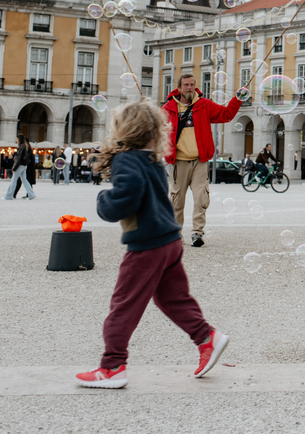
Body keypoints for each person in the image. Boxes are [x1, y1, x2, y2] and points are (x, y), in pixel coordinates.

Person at [75, 100, 229, 389]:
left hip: (146, 245)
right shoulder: (152, 158)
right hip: (169, 240)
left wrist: (103, 201)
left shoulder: (127, 159)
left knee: (123, 305)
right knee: (172, 298)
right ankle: (207, 337)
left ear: (124, 130)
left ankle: (112, 367)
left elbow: (126, 198)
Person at [162, 73, 243, 248]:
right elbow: (155, 129)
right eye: (186, 85)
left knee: (201, 198)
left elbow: (226, 114)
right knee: (177, 200)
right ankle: (176, 234)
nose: (190, 87)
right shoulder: (168, 109)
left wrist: (237, 99)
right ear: (179, 88)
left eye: (192, 84)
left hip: (200, 161)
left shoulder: (204, 105)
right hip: (178, 161)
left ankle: (197, 233)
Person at [5, 134, 37, 200]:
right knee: (24, 180)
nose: (15, 140)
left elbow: (18, 159)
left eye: (16, 139)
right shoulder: (25, 147)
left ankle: (9, 195)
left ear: (19, 139)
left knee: (14, 180)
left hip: (20, 165)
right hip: (24, 165)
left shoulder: (21, 147)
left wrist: (14, 168)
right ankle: (31, 194)